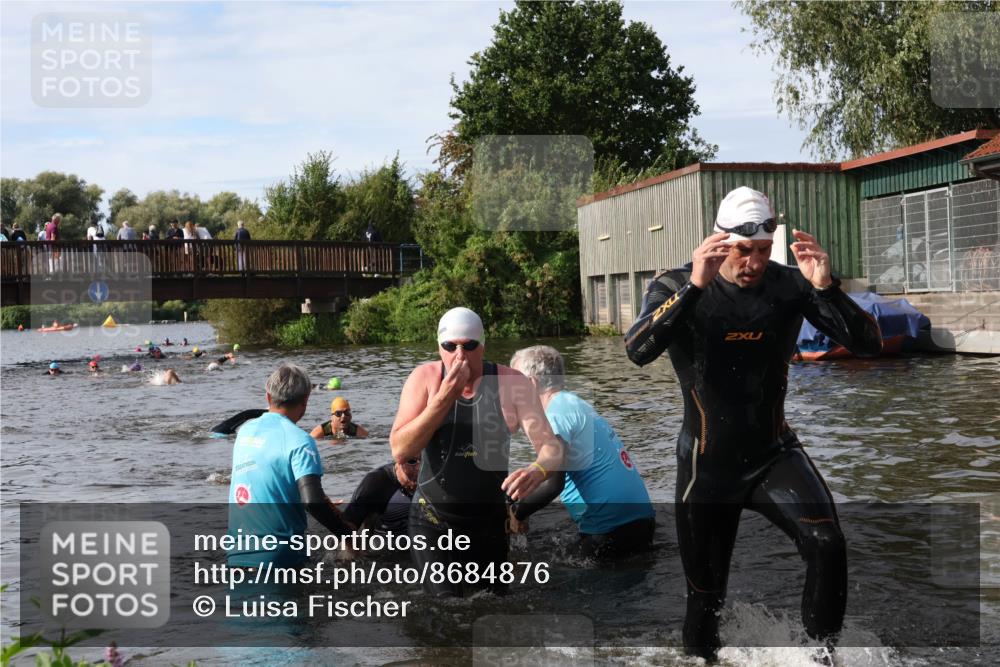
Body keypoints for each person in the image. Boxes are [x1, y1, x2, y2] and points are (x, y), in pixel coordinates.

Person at [623, 186, 883, 661]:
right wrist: (694, 288)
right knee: (705, 600)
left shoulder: (789, 285)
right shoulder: (674, 284)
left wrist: (826, 288)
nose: (755, 263)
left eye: (763, 251)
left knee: (827, 543)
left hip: (772, 453)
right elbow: (638, 350)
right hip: (706, 467)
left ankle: (820, 657)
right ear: (720, 242)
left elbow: (869, 346)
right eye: (745, 251)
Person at [389, 307, 563, 596]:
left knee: (494, 609)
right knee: (446, 608)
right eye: (450, 346)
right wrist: (444, 398)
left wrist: (539, 469)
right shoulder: (424, 379)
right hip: (433, 520)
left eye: (469, 346)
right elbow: (400, 448)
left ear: (482, 346)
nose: (460, 355)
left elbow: (551, 448)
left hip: (489, 521)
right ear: (439, 347)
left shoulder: (512, 383)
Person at [508, 345, 655, 559]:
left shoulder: (554, 416)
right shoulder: (575, 404)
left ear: (531, 384)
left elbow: (553, 485)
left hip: (608, 534)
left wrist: (517, 513)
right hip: (643, 524)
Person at [227, 364, 353, 567]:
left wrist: (323, 500)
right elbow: (312, 502)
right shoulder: (300, 440)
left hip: (236, 555)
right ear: (305, 400)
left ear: (268, 397)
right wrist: (348, 535)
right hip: (281, 557)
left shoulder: (245, 432)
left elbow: (269, 479)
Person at [342, 458, 420, 538]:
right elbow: (346, 531)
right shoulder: (376, 483)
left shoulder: (431, 476)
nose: (419, 467)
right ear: (398, 459)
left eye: (424, 460)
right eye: (412, 462)